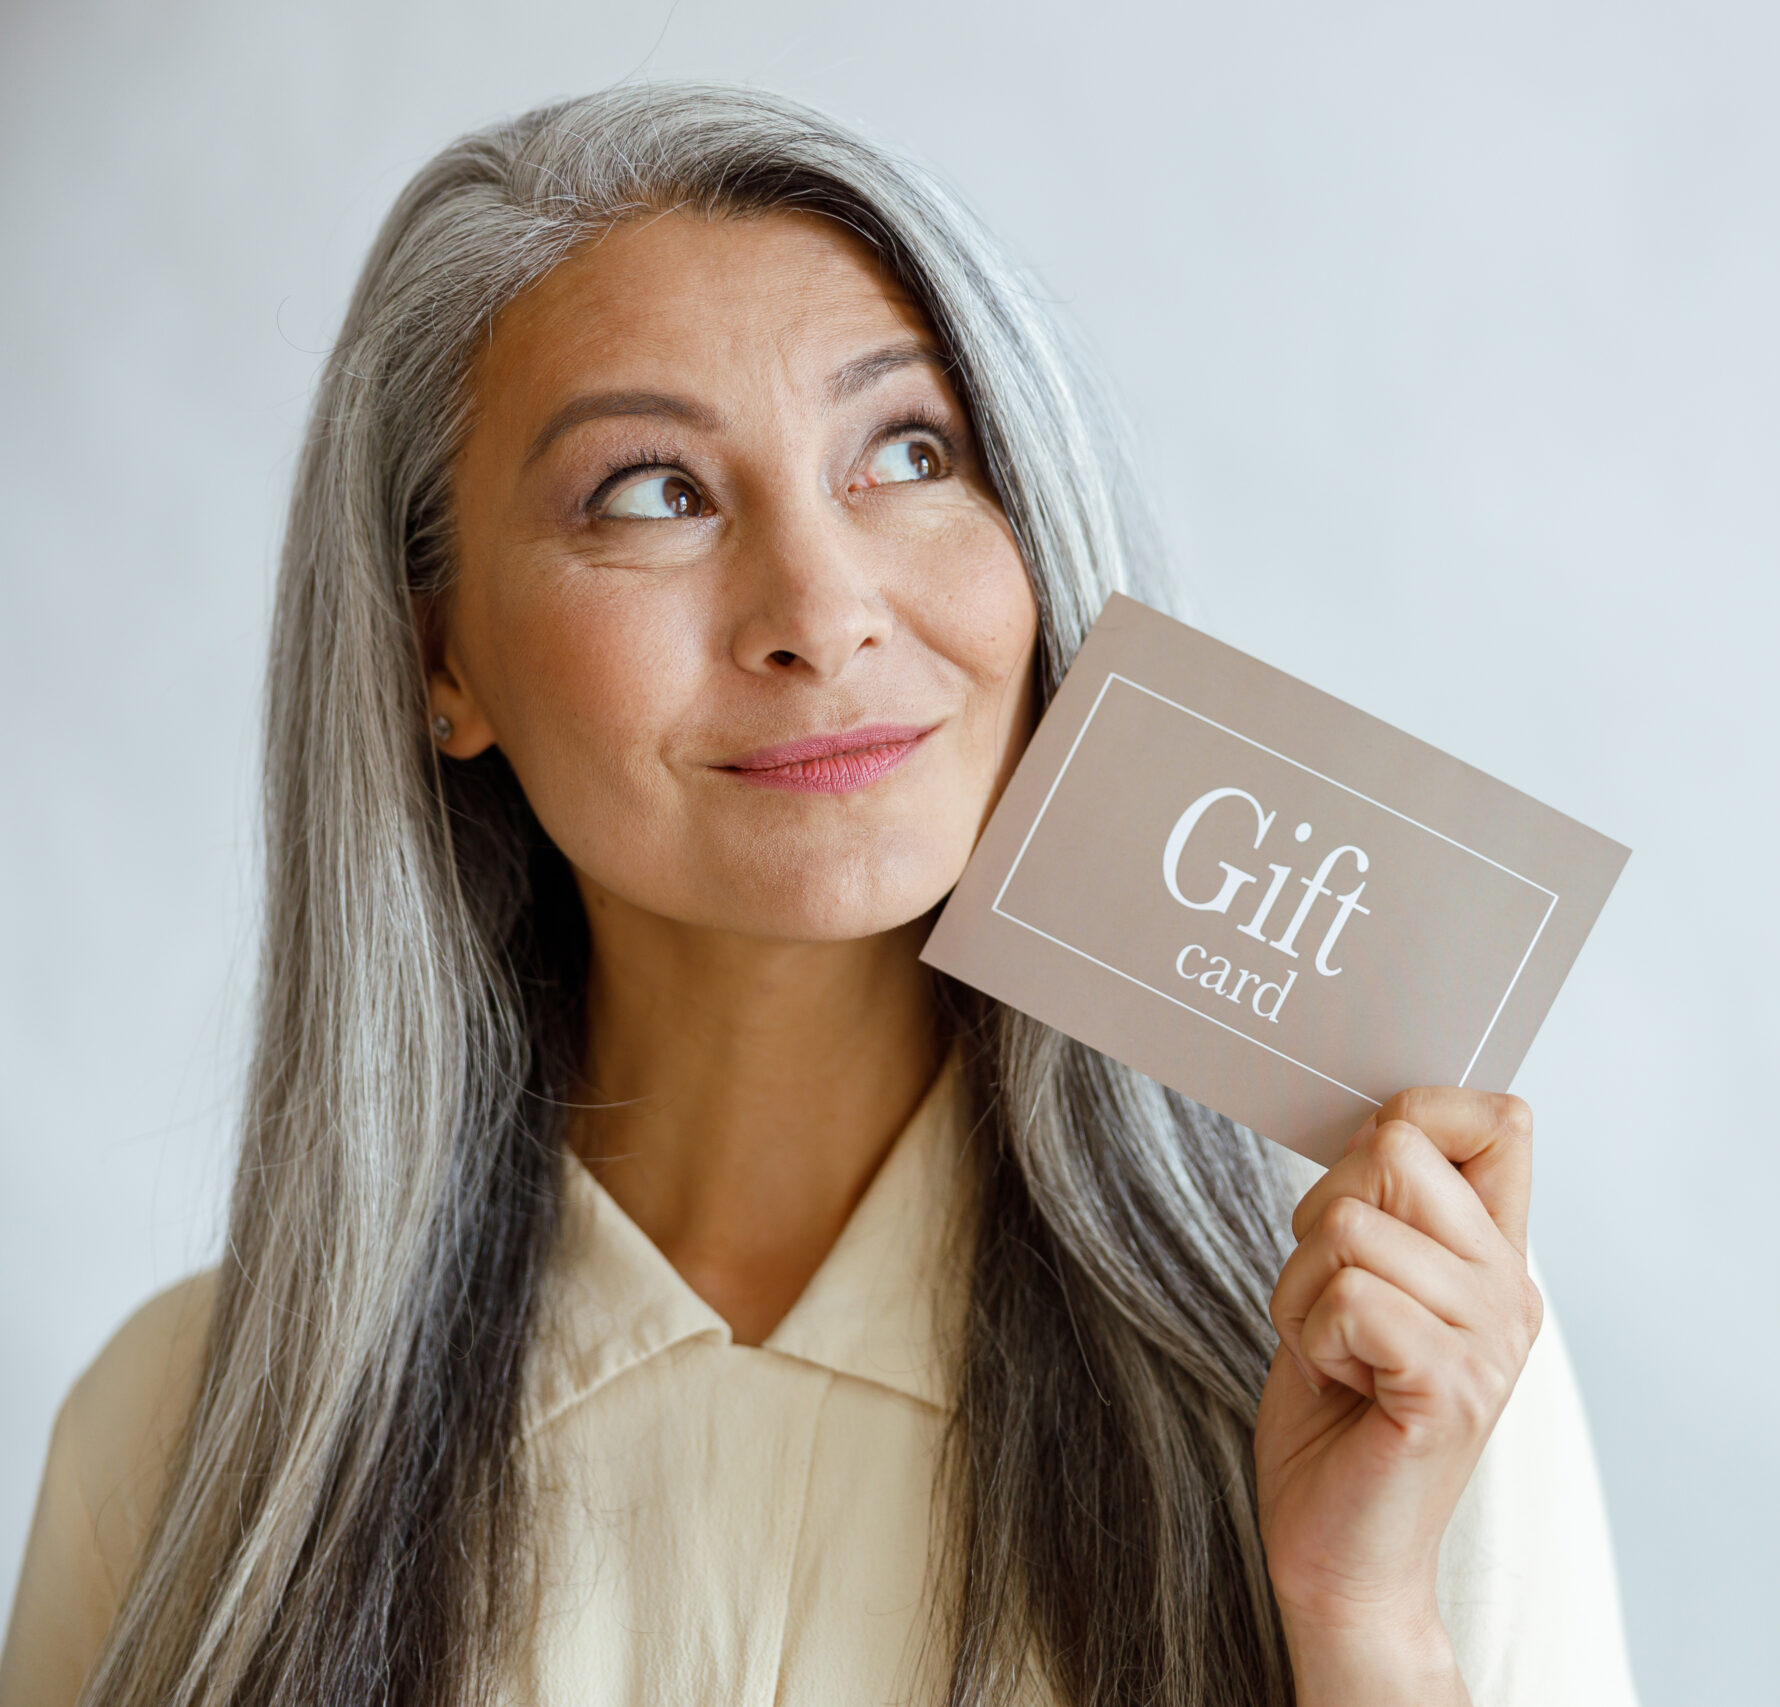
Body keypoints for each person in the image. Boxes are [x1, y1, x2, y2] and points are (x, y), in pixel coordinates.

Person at [0, 83, 1634, 1707]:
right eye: (652, 491)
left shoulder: (1379, 1345)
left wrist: (1359, 1612)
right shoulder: (176, 1441)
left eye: (910, 452)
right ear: (438, 657)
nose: (822, 612)